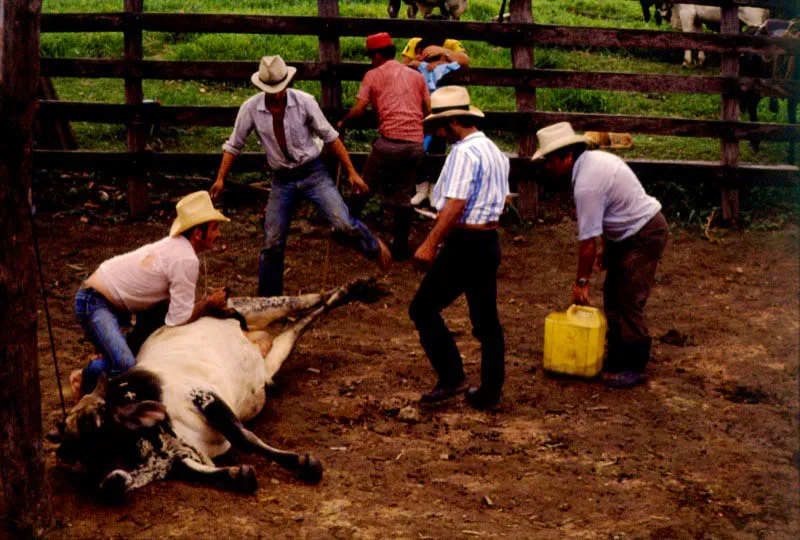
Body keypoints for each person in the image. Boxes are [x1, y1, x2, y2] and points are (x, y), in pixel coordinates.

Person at [211, 55, 391, 296]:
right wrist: (221, 178)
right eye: (271, 90)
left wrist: (351, 172)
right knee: (272, 240)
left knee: (343, 222)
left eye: (279, 88)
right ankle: (269, 298)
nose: (276, 94)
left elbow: (330, 136)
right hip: (282, 178)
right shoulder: (251, 108)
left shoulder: (304, 102)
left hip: (312, 172)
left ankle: (373, 245)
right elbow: (234, 145)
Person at [532, 122, 668, 388]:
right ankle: (617, 357)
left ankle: (636, 364)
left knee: (629, 296)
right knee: (613, 293)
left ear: (567, 156)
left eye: (550, 160)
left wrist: (581, 282)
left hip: (644, 233)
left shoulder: (587, 184)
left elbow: (586, 242)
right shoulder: (591, 164)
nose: (548, 166)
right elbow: (608, 213)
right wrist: (608, 247)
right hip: (626, 232)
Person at [70, 191, 231, 398]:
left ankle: (112, 354)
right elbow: (179, 319)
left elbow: (173, 309)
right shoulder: (185, 258)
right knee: (127, 367)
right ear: (198, 234)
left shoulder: (179, 249)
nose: (218, 234)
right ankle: (86, 376)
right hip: (95, 301)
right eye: (214, 228)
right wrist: (208, 303)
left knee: (143, 337)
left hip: (111, 300)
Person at [409, 86, 510, 410]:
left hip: (466, 243)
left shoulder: (464, 153)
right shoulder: (494, 150)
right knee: (486, 322)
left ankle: (452, 376)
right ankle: (490, 392)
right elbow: (505, 200)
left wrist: (429, 243)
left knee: (422, 308)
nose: (438, 132)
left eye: (440, 125)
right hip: (487, 240)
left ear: (453, 121)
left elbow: (456, 203)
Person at [337, 33, 431, 260]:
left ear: (377, 55)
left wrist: (344, 122)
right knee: (403, 195)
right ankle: (400, 247)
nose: (370, 60)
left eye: (371, 56)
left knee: (364, 185)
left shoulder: (373, 75)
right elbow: (429, 110)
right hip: (414, 145)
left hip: (389, 143)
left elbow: (359, 109)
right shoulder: (416, 76)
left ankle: (346, 231)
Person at [408, 36, 468, 207]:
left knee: (438, 148)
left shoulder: (444, 67)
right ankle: (421, 189)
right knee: (420, 150)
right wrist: (417, 63)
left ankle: (435, 190)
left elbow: (463, 63)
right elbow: (402, 66)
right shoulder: (415, 67)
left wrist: (443, 58)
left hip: (441, 114)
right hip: (420, 114)